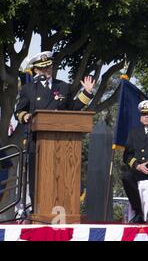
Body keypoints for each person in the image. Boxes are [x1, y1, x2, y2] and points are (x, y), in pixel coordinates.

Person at [14, 51, 95, 207]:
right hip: (36, 142)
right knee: (37, 179)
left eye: (49, 67)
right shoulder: (29, 89)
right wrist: (24, 116)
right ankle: (36, 209)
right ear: (36, 70)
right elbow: (19, 110)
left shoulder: (63, 86)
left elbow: (72, 108)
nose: (47, 70)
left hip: (61, 143)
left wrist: (87, 93)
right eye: (43, 68)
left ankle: (60, 208)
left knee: (60, 177)